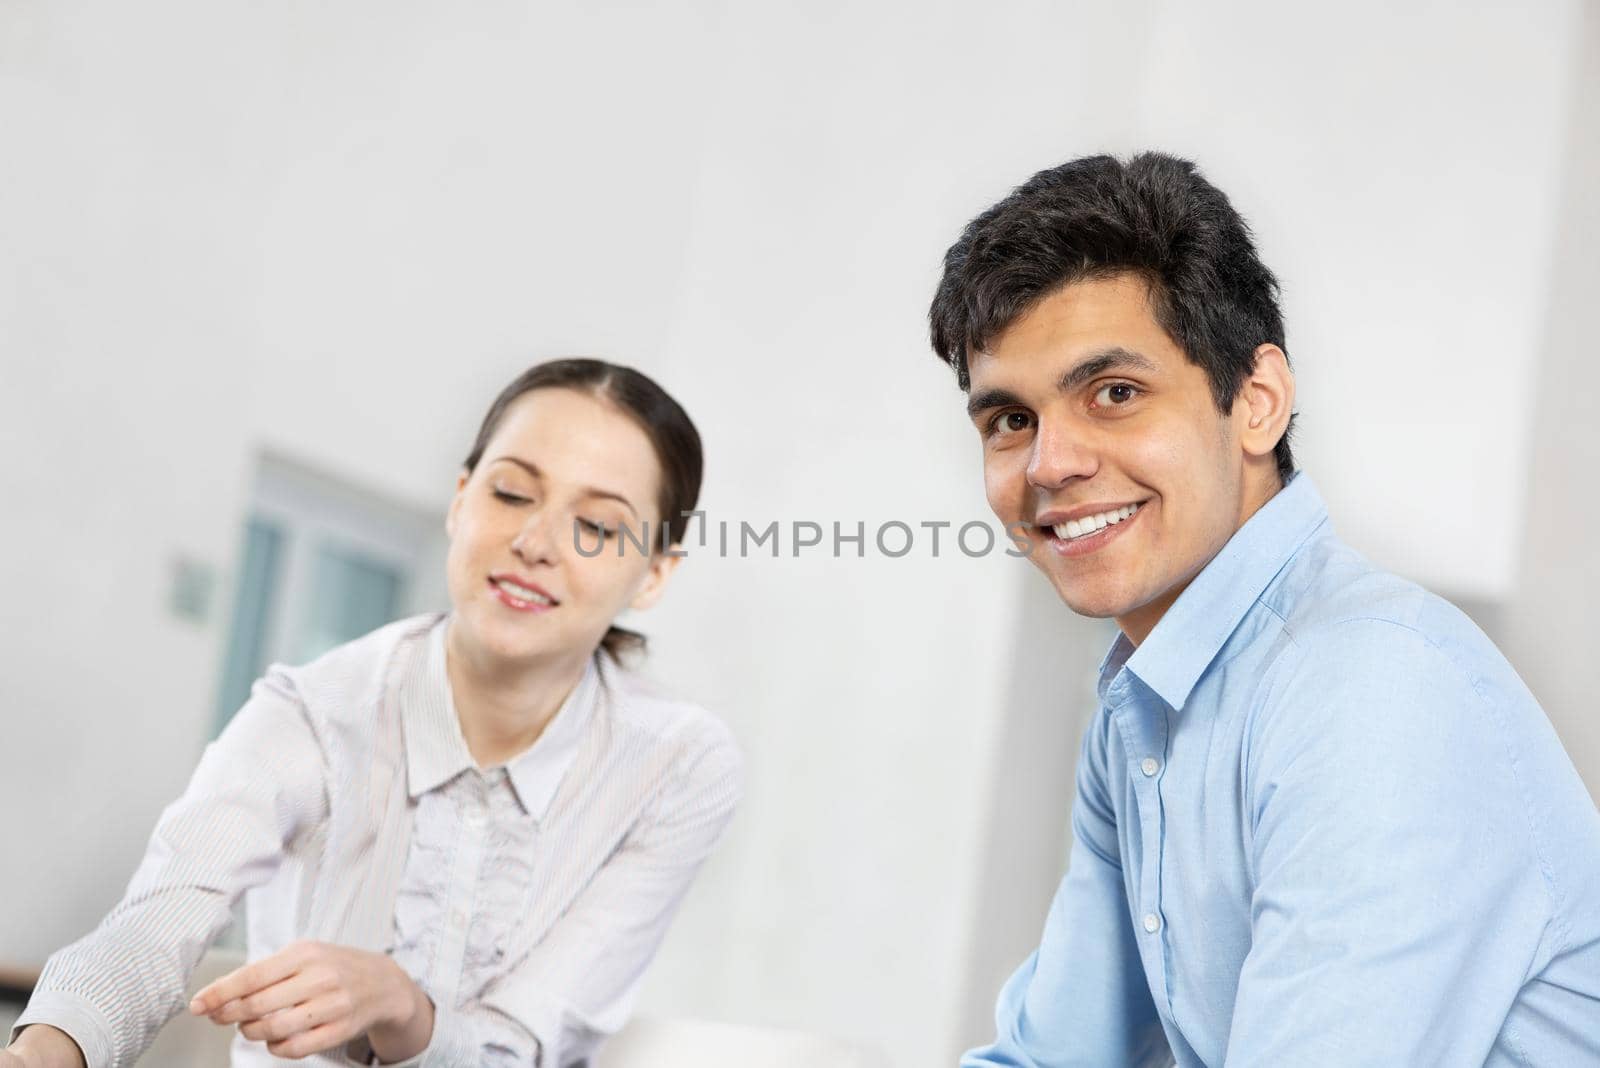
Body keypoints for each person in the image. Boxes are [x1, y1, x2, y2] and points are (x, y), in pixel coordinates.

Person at [930, 152, 1600, 1066]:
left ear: (1258, 403)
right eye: (1010, 419)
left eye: (1115, 394)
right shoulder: (1143, 713)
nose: (1050, 464)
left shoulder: (1370, 686)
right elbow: (1055, 1058)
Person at [4, 358, 743, 1068]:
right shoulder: (316, 714)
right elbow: (158, 923)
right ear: (461, 500)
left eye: (599, 528)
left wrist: (402, 1008)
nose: (535, 543)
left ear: (654, 573)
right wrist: (45, 1050)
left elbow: (523, 1044)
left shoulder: (679, 766)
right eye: (512, 494)